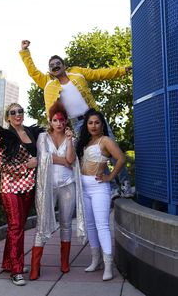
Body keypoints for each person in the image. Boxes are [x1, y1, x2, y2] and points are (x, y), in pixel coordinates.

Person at [19, 40, 133, 199]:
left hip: (93, 115)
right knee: (96, 155)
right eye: (52, 65)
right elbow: (32, 71)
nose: (55, 66)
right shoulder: (47, 82)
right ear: (50, 70)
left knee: (112, 148)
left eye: (58, 63)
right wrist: (25, 52)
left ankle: (126, 183)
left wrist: (122, 70)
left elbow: (98, 73)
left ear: (64, 66)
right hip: (78, 124)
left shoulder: (77, 72)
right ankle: (112, 187)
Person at [0, 103, 42, 286]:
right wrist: (26, 166)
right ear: (8, 117)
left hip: (29, 186)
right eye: (13, 112)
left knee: (17, 227)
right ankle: (16, 271)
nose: (17, 114)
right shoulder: (3, 136)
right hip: (10, 188)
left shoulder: (32, 133)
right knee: (16, 227)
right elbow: (2, 165)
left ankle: (9, 262)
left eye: (20, 111)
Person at [29, 101, 86, 280]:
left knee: (66, 223)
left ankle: (64, 262)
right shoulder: (43, 138)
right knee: (42, 222)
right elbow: (45, 157)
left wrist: (69, 142)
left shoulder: (72, 138)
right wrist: (64, 161)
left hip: (68, 185)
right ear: (50, 121)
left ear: (66, 121)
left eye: (62, 120)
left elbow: (71, 158)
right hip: (48, 186)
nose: (59, 123)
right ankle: (35, 266)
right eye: (55, 120)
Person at [76, 108, 125, 281]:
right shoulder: (85, 142)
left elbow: (121, 158)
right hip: (84, 188)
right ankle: (96, 260)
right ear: (86, 125)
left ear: (102, 124)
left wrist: (110, 176)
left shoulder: (105, 141)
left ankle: (108, 264)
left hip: (99, 188)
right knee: (90, 225)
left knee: (102, 225)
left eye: (97, 122)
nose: (94, 126)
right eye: (90, 123)